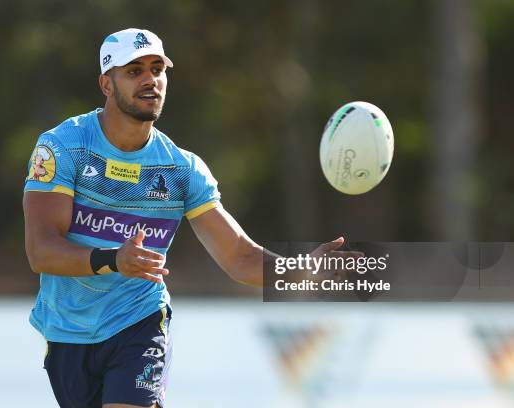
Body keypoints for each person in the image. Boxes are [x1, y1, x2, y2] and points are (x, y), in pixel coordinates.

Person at [23, 28, 355, 408]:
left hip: (139, 321)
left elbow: (240, 257)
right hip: (68, 332)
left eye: (157, 69)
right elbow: (40, 250)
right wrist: (113, 260)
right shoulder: (64, 146)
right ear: (107, 84)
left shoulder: (182, 169)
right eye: (134, 71)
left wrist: (298, 273)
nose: (150, 80)